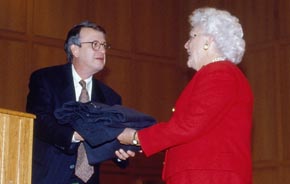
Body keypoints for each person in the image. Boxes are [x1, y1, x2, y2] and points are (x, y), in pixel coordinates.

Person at [116, 7, 253, 184]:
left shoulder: (220, 73)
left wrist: (136, 137)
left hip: (208, 176)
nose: (186, 45)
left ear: (208, 41)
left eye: (192, 36)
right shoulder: (219, 74)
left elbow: (188, 126)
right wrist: (136, 141)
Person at [26, 21, 134, 184]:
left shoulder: (111, 97)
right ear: (74, 49)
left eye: (104, 45)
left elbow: (110, 139)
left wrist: (120, 153)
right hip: (49, 177)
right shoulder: (46, 79)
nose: (102, 50)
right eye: (95, 44)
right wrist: (76, 135)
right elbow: (39, 122)